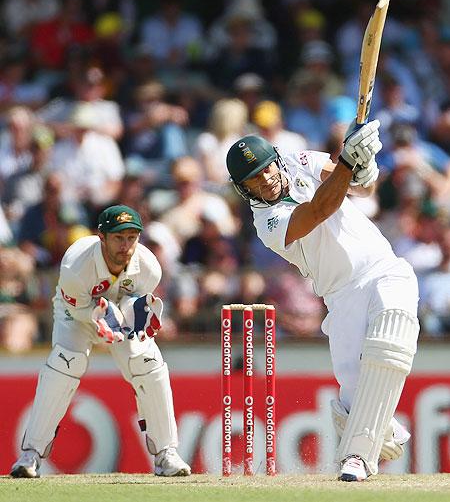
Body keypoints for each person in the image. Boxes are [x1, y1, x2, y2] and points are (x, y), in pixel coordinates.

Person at [226, 122, 419, 482]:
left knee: (391, 341)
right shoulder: (266, 222)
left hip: (383, 266)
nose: (264, 178)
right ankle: (376, 430)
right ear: (243, 188)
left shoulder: (300, 159)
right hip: (341, 295)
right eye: (253, 178)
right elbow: (317, 211)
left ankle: (357, 458)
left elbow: (361, 188)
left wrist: (364, 166)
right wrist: (348, 163)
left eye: (266, 167)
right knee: (355, 395)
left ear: (276, 160)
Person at [10, 204, 191, 478]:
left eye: (132, 237)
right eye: (118, 237)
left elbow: (134, 305)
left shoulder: (150, 268)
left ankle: (166, 453)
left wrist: (134, 313)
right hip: (76, 312)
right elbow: (78, 308)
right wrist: (101, 315)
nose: (125, 245)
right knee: (66, 364)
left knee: (148, 363)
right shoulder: (75, 266)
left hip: (118, 313)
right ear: (102, 237)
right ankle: (30, 455)